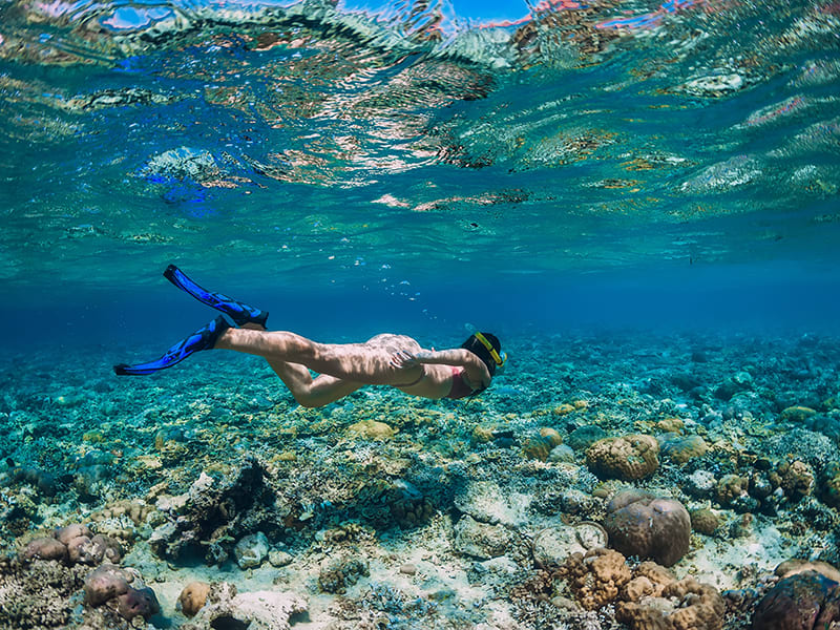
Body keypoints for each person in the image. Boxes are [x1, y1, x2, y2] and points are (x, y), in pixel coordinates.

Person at [114, 266, 506, 408]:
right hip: (404, 368)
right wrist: (423, 361)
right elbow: (470, 361)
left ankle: (251, 325)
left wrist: (423, 358)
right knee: (317, 354)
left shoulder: (461, 371)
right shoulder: (479, 381)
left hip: (400, 359)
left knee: (310, 395)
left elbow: (463, 357)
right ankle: (221, 337)